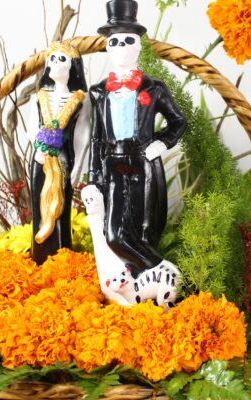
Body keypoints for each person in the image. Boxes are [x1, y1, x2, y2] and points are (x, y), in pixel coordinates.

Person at [82, 0, 187, 278]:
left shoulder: (154, 88)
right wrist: (93, 179)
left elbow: (178, 121)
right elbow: (96, 137)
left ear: (139, 45)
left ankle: (142, 284)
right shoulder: (98, 92)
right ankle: (166, 273)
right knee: (114, 233)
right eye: (115, 42)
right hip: (112, 162)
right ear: (107, 46)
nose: (122, 47)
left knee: (145, 227)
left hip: (144, 159)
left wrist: (161, 143)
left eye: (128, 41)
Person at [27, 42, 90, 265]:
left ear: (73, 66)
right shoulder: (39, 97)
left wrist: (78, 166)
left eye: (61, 59)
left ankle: (61, 253)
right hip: (40, 159)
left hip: (65, 160)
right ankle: (39, 254)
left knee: (61, 207)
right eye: (52, 58)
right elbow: (32, 129)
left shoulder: (81, 99)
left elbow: (83, 135)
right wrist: (38, 148)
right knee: (39, 204)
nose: (55, 63)